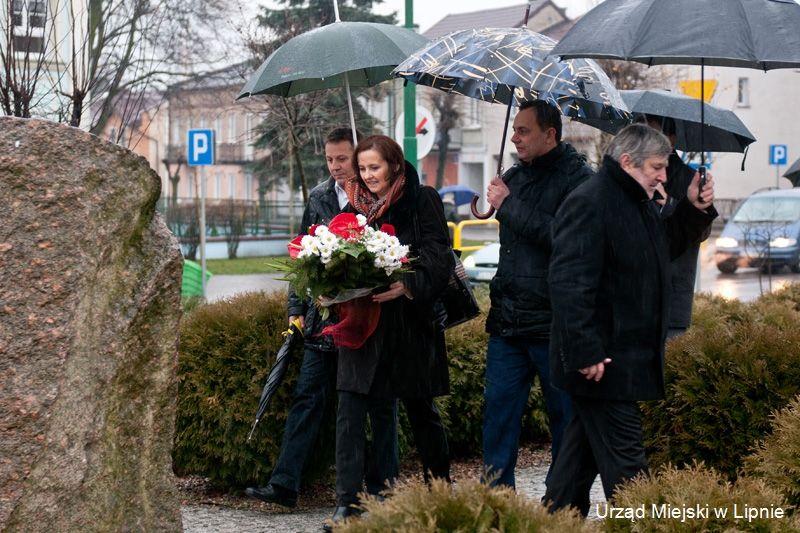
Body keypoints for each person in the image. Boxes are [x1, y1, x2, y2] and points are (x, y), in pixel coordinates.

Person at [543, 124, 717, 516]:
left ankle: (553, 520)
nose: (663, 176)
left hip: (621, 358)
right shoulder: (590, 201)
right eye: (657, 167)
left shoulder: (636, 200)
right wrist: (586, 351)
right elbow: (569, 283)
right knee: (628, 467)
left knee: (575, 465)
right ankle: (643, 523)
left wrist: (692, 206)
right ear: (627, 162)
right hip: (604, 363)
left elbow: (662, 249)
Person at [246, 128, 398, 508]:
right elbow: (303, 254)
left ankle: (377, 489)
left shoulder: (378, 197)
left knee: (370, 405)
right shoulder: (318, 196)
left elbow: (389, 253)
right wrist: (296, 310)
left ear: (358, 155)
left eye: (342, 159)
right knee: (307, 399)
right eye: (329, 159)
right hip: (322, 318)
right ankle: (285, 483)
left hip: (365, 318)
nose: (335, 167)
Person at [326, 135, 454, 530]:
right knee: (350, 409)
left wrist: (408, 283)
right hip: (363, 324)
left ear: (395, 165)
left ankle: (440, 492)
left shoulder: (422, 198)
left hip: (409, 326)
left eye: (374, 168)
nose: (367, 176)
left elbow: (440, 255)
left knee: (420, 411)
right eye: (362, 169)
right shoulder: (357, 205)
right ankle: (349, 502)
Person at [482, 100, 594, 489]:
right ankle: (497, 500)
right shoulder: (514, 175)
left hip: (553, 325)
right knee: (497, 416)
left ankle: (561, 500)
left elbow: (565, 237)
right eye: (514, 129)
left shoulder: (579, 179)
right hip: (508, 323)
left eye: (524, 130)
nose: (515, 137)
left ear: (551, 134)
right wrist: (500, 199)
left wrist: (509, 205)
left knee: (564, 419)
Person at [644, 115, 715, 339]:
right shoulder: (631, 176)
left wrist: (671, 205)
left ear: (672, 139)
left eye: (655, 132)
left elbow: (702, 232)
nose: (648, 140)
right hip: (634, 303)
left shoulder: (689, 179)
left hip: (673, 301)